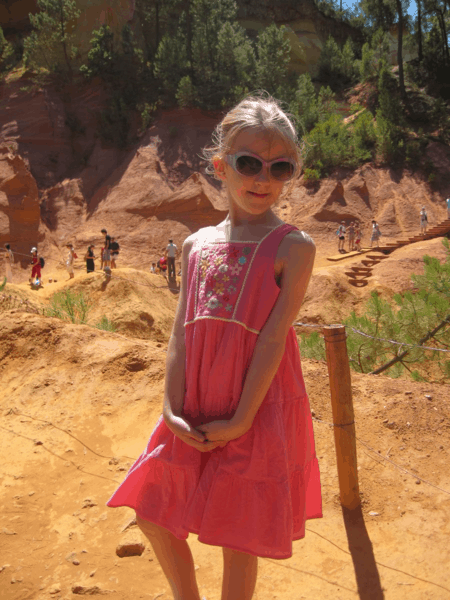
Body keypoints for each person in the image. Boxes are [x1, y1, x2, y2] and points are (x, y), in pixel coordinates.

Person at [106, 93, 323, 600]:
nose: (262, 178)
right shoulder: (196, 244)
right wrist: (168, 405)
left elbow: (273, 339)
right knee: (152, 510)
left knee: (240, 533)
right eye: (248, 163)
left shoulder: (295, 247)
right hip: (191, 401)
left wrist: (245, 417)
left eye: (280, 167)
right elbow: (181, 330)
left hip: (257, 404)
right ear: (220, 166)